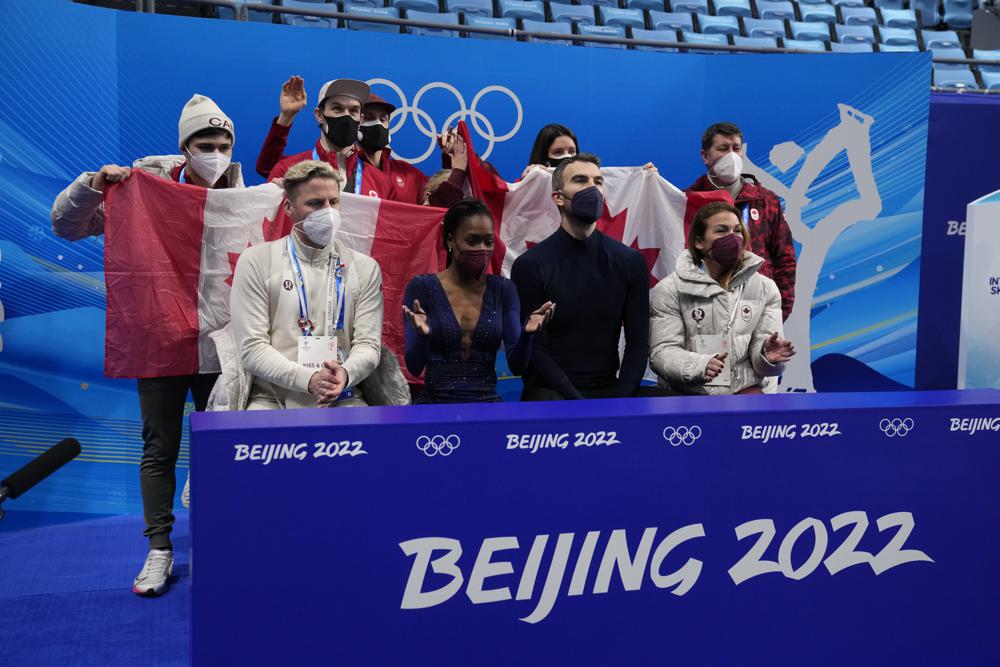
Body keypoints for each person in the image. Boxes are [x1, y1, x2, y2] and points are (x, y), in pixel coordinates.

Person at [50, 94, 242, 597]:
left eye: (224, 144)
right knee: (160, 447)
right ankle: (159, 548)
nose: (216, 152)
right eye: (206, 143)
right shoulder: (144, 187)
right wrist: (94, 186)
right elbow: (65, 226)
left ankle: (222, 546)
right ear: (185, 146)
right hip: (160, 341)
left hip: (221, 345)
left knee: (220, 446)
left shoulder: (248, 197)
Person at [229, 160, 383, 410]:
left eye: (333, 202)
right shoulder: (257, 261)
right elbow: (252, 348)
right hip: (271, 399)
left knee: (371, 440)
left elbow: (369, 344)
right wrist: (308, 380)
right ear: (289, 208)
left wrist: (344, 375)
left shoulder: (364, 267)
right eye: (315, 204)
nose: (328, 212)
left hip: (343, 395)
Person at [511, 154, 657, 400]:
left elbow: (638, 344)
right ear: (558, 197)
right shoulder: (530, 265)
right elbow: (536, 351)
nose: (592, 187)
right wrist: (580, 404)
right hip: (553, 392)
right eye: (580, 180)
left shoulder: (629, 262)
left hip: (611, 390)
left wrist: (622, 402)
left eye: (598, 182)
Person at [402, 199, 554, 403]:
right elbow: (413, 366)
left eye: (488, 242)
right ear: (450, 240)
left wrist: (527, 335)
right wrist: (423, 336)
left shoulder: (504, 290)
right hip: (434, 407)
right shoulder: (422, 287)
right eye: (472, 241)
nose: (482, 249)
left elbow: (517, 366)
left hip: (488, 406)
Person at [649, 201, 795, 395]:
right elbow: (662, 353)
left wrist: (766, 355)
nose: (733, 238)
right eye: (721, 230)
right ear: (699, 242)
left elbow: (763, 360)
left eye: (737, 230)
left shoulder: (765, 288)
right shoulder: (669, 290)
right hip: (689, 395)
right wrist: (700, 365)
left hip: (747, 393)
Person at [686, 121, 797, 320]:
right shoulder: (688, 201)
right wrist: (650, 181)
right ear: (705, 156)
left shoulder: (766, 200)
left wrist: (780, 311)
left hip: (758, 309)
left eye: (736, 148)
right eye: (722, 149)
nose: (731, 155)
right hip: (705, 310)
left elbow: (785, 258)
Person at [265, 78, 394, 199]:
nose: (346, 117)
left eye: (353, 110)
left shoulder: (380, 181)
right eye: (338, 109)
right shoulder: (288, 169)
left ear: (360, 120)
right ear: (319, 115)